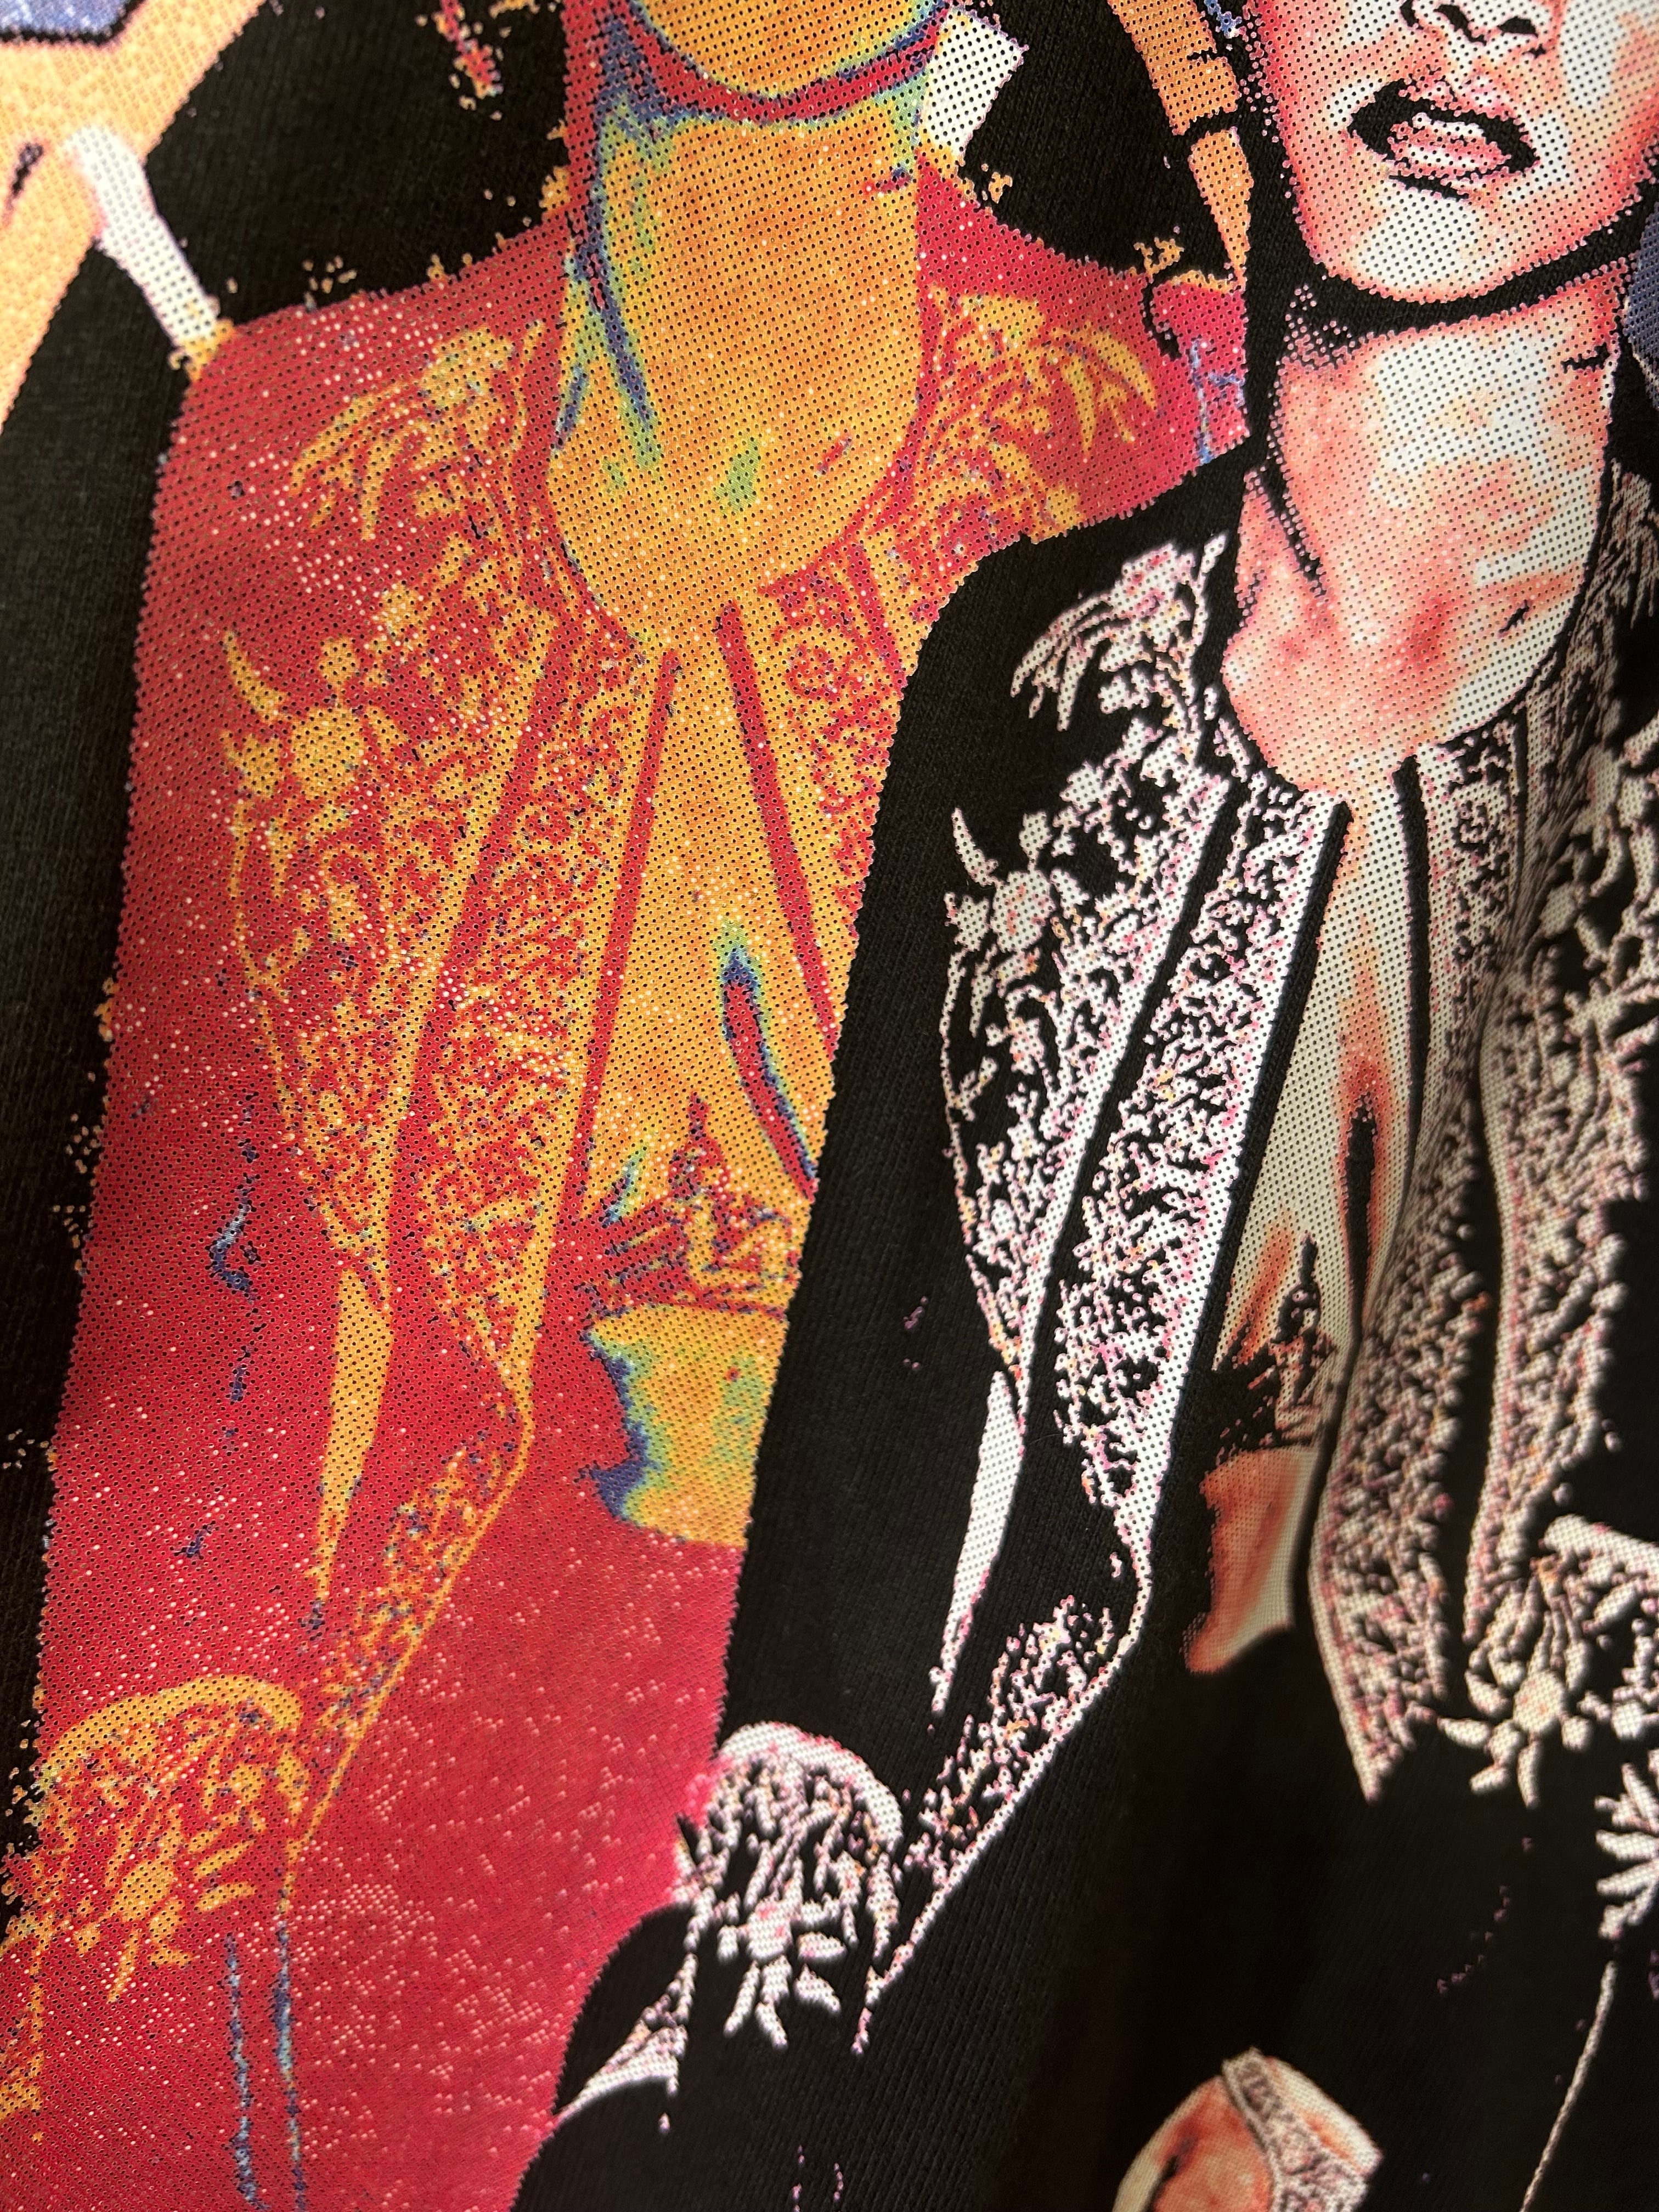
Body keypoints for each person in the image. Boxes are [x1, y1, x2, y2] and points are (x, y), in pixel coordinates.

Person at [1, 2, 1244, 2202]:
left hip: (951, 1889)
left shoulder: (1170, 443)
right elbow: (208, 1414)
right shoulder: (303, 455)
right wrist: (164, 2070)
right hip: (389, 1875)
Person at [535, 0, 1659, 2205]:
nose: (1477, 17)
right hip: (1015, 1935)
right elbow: (854, 1549)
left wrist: (1329, 2100)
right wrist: (745, 2073)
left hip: (1543, 1970)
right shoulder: (1027, 678)